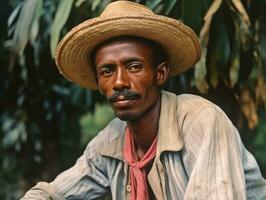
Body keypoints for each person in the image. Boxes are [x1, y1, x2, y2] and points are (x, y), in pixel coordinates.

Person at [22, 1, 266, 200]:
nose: (119, 82)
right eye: (107, 71)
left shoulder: (200, 122)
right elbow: (52, 194)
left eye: (134, 66)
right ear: (99, 83)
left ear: (160, 74)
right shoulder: (111, 141)